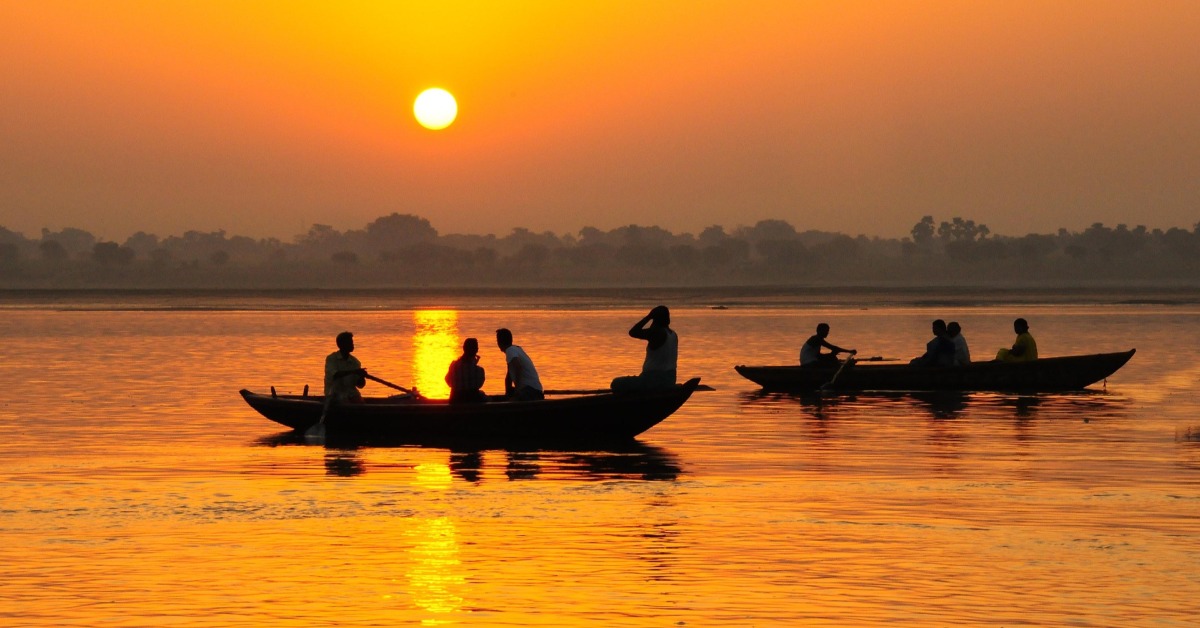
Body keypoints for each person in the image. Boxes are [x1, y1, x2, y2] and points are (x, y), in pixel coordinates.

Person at [611, 305, 679, 392]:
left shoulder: (657, 332)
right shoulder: (673, 334)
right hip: (670, 379)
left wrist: (648, 317)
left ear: (655, 319)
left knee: (615, 383)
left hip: (653, 379)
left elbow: (633, 332)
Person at [496, 328, 544, 401]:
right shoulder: (516, 349)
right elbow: (509, 377)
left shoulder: (510, 350)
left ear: (499, 342)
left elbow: (518, 368)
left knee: (513, 401)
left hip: (531, 391)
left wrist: (517, 390)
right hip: (536, 390)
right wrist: (508, 392)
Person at [324, 331, 366, 403]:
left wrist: (362, 376)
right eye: (350, 342)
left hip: (352, 395)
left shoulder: (355, 362)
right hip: (334, 395)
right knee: (343, 400)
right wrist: (354, 371)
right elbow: (335, 375)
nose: (352, 344)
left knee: (360, 403)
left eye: (352, 342)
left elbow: (360, 385)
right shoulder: (332, 359)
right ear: (342, 345)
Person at [445, 337, 487, 403]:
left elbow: (447, 380)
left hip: (455, 403)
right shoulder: (479, 371)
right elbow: (479, 385)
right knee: (483, 395)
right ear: (476, 350)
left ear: (463, 348)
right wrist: (473, 366)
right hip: (472, 404)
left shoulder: (453, 366)